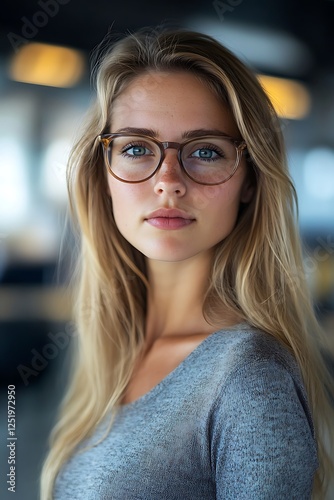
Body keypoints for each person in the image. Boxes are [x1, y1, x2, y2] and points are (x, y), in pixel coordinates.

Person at [40, 26, 334, 499]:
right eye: (137, 148)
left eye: (205, 151)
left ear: (251, 182)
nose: (169, 182)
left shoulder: (249, 377)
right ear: (104, 172)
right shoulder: (118, 351)